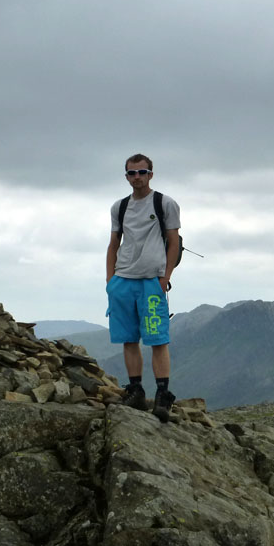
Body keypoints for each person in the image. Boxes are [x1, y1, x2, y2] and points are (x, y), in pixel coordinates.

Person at [105, 154, 180, 422]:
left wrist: (164, 277)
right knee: (129, 338)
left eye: (142, 172)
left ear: (151, 174)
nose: (137, 177)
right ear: (126, 176)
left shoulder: (165, 203)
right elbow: (113, 244)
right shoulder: (119, 207)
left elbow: (173, 242)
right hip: (123, 280)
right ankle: (136, 390)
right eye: (131, 173)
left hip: (151, 280)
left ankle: (162, 395)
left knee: (158, 339)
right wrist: (110, 281)